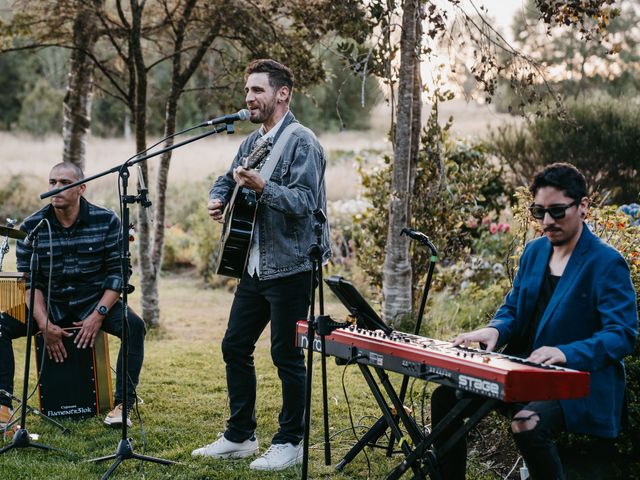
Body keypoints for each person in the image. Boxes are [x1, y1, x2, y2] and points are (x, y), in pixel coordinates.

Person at [431, 162, 638, 479]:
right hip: (524, 373)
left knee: (527, 423)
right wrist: (494, 330)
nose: (546, 222)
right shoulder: (534, 252)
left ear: (583, 206)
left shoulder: (607, 262)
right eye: (538, 211)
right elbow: (514, 308)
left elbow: (622, 335)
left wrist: (565, 352)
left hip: (581, 382)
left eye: (557, 211)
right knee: (446, 396)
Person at [191, 59, 330, 471]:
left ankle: (291, 441)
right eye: (247, 91)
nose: (249, 98)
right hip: (253, 265)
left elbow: (307, 203)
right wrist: (218, 198)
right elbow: (227, 177)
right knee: (234, 346)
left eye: (257, 90)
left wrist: (264, 187)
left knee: (286, 356)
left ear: (282, 93)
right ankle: (240, 436)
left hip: (291, 267)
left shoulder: (302, 142)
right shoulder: (253, 140)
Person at [0, 162, 146, 431]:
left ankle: (123, 404)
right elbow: (32, 284)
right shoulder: (32, 226)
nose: (56, 188)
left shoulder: (107, 220)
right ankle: (3, 405)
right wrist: (43, 323)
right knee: (0, 325)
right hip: (49, 306)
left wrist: (98, 315)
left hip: (94, 301)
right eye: (52, 182)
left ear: (81, 188)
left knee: (134, 326)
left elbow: (118, 273)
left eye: (64, 182)